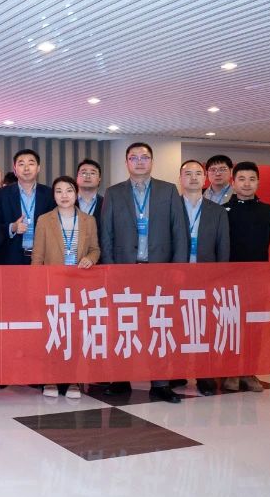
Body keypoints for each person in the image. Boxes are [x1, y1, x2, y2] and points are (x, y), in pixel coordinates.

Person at [99, 142, 189, 403]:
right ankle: (120, 378)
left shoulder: (168, 190)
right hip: (125, 270)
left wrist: (178, 269)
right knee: (123, 325)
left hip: (158, 270)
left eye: (144, 157)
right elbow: (106, 234)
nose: (139, 162)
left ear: (152, 161)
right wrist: (111, 269)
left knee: (158, 326)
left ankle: (160, 383)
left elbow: (179, 231)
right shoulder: (114, 192)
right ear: (127, 162)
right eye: (134, 157)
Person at [31, 175, 100, 399]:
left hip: (79, 286)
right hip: (52, 286)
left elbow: (95, 249)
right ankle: (50, 378)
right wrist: (37, 285)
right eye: (59, 191)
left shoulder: (88, 220)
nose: (64, 195)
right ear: (53, 196)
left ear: (76, 194)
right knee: (53, 332)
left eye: (69, 190)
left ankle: (72, 380)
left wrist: (90, 258)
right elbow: (37, 256)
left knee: (75, 334)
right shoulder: (44, 220)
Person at [176, 160, 231, 396]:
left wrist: (219, 276)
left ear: (205, 178)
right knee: (177, 325)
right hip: (177, 275)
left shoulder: (217, 211)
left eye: (198, 173)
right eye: (188, 173)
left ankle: (205, 375)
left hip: (206, 276)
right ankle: (176, 372)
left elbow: (223, 247)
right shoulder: (170, 207)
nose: (193, 177)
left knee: (205, 326)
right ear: (180, 178)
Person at [220, 161, 270, 394]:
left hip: (258, 278)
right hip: (229, 278)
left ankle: (249, 371)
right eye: (241, 179)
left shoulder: (267, 211)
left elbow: (265, 242)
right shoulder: (222, 211)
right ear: (233, 183)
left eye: (252, 179)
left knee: (254, 327)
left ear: (258, 182)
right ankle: (231, 371)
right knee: (231, 325)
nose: (247, 184)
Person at [0, 149, 55, 266]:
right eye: (21, 164)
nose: (26, 168)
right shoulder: (1, 194)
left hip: (42, 258)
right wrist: (12, 227)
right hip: (10, 258)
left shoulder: (49, 194)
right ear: (15, 169)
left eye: (31, 164)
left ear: (38, 168)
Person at [75, 158, 105, 226]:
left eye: (92, 173)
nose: (88, 176)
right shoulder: (66, 202)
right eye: (84, 173)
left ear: (99, 179)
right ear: (77, 177)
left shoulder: (106, 204)